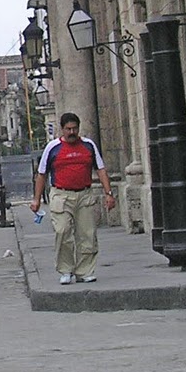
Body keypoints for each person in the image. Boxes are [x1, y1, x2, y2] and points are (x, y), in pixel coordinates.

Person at [29, 113, 115, 285]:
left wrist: (108, 193)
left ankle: (85, 270)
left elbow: (101, 169)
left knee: (87, 234)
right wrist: (36, 200)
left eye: (74, 128)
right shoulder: (52, 148)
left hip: (84, 195)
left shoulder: (89, 146)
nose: (72, 132)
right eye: (68, 129)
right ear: (62, 129)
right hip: (61, 194)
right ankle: (65, 269)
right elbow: (41, 175)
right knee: (62, 231)